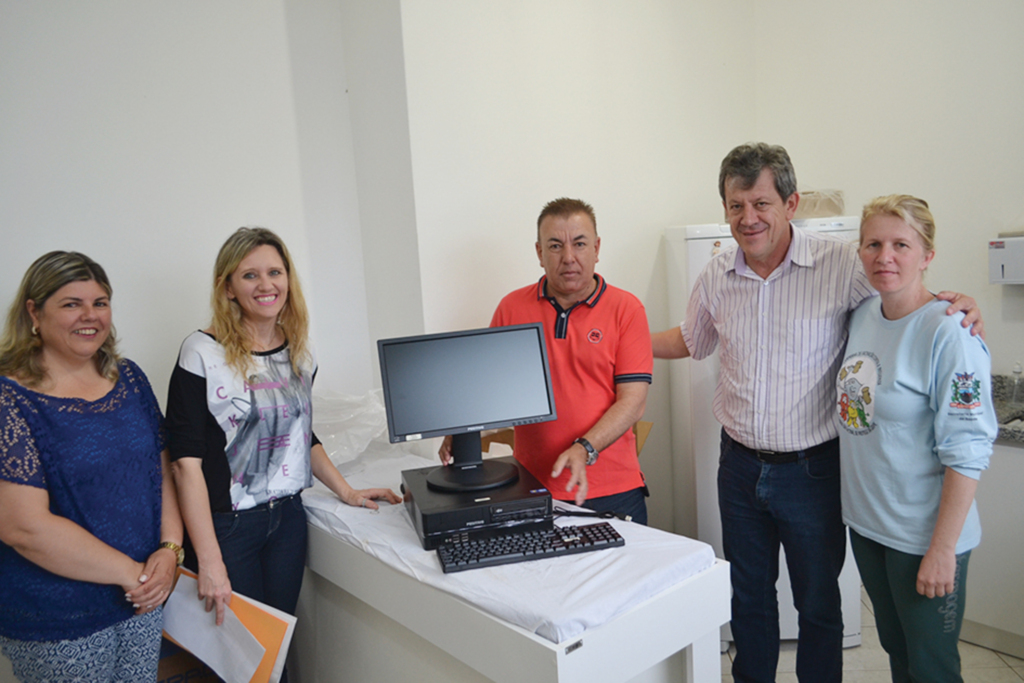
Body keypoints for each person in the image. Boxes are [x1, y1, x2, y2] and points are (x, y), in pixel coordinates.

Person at [651, 143, 983, 683]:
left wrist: (960, 308)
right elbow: (692, 339)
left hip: (813, 470)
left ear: (791, 202)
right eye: (736, 206)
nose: (748, 218)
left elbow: (901, 293)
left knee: (818, 604)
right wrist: (615, 344)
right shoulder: (715, 274)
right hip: (737, 467)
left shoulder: (841, 267)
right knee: (749, 600)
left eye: (761, 203)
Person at [165, 227, 400, 677]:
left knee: (276, 650)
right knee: (240, 661)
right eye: (250, 275)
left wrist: (346, 492)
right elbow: (185, 465)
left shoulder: (299, 354)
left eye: (275, 272)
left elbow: (301, 434)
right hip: (229, 528)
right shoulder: (201, 352)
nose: (265, 284)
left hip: (288, 522)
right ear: (228, 287)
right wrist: (209, 560)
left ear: (288, 280)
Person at [0, 251, 183, 683]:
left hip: (142, 597)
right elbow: (22, 526)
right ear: (34, 312)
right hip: (59, 617)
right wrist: (133, 574)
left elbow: (162, 469)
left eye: (100, 302)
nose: (90, 315)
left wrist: (170, 549)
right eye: (71, 304)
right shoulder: (10, 399)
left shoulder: (130, 378)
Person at [837, 195, 995, 682]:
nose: (885, 256)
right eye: (874, 244)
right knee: (899, 653)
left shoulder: (951, 332)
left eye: (901, 244)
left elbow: (968, 452)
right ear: (860, 252)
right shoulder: (862, 313)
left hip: (923, 536)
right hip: (869, 526)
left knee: (933, 668)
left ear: (927, 255)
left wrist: (942, 550)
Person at [442, 198, 653, 523]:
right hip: (531, 487)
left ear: (596, 248)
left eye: (579, 244)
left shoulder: (627, 310)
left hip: (613, 490)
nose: (568, 257)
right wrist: (464, 429)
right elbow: (491, 392)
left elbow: (633, 402)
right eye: (555, 246)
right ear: (540, 253)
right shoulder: (511, 309)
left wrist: (584, 449)